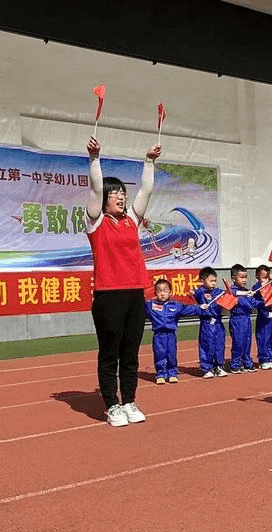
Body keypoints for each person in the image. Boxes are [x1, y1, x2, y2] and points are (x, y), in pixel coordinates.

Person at [86, 135, 160, 428]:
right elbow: (94, 187)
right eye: (114, 193)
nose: (121, 196)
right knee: (110, 353)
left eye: (122, 193)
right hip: (107, 296)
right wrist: (94, 159)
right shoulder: (96, 221)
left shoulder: (131, 220)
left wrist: (148, 161)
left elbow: (147, 189)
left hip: (134, 295)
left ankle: (129, 400)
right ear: (104, 199)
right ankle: (112, 405)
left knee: (130, 352)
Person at [145, 279, 201, 384]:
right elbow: (138, 306)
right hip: (158, 335)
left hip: (171, 335)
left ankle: (172, 373)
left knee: (171, 354)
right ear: (155, 293)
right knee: (159, 354)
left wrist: (201, 307)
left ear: (170, 292)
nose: (162, 294)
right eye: (159, 291)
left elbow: (189, 309)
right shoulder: (150, 305)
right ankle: (161, 374)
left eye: (165, 291)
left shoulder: (176, 306)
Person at [192, 267, 228, 378]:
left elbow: (231, 294)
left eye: (214, 281)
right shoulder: (201, 292)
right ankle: (206, 368)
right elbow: (197, 295)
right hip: (207, 324)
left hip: (218, 323)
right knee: (207, 345)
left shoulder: (218, 292)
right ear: (202, 281)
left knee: (219, 345)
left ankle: (218, 366)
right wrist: (194, 293)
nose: (213, 283)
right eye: (211, 281)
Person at [227, 264, 258, 373]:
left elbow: (254, 303)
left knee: (247, 342)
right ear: (234, 278)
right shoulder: (232, 290)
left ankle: (247, 362)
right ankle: (235, 364)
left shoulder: (247, 291)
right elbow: (233, 293)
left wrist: (266, 303)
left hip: (247, 319)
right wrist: (246, 293)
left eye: (245, 277)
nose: (244, 280)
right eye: (241, 277)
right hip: (237, 320)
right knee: (238, 342)